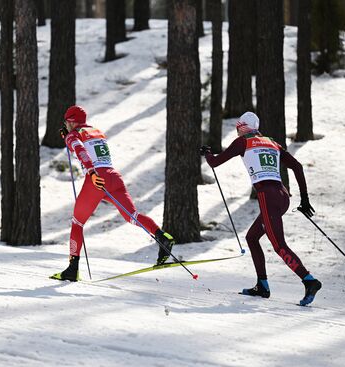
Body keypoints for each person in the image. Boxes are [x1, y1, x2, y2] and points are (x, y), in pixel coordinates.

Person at [201, 112, 321, 306]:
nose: (238, 130)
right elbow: (297, 166)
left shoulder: (243, 142)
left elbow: (214, 162)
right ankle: (262, 286)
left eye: (238, 127)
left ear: (242, 127)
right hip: (282, 196)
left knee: (279, 245)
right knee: (252, 237)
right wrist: (305, 200)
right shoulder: (272, 142)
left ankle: (309, 281)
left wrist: (206, 154)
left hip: (268, 196)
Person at [54, 105, 175, 281]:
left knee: (77, 222)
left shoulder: (74, 134)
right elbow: (87, 147)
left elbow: (80, 150)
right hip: (113, 176)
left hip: (97, 179)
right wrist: (70, 139)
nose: (65, 125)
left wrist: (91, 171)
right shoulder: (96, 131)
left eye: (66, 122)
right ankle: (162, 237)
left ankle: (72, 270)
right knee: (132, 215)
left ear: (72, 121)